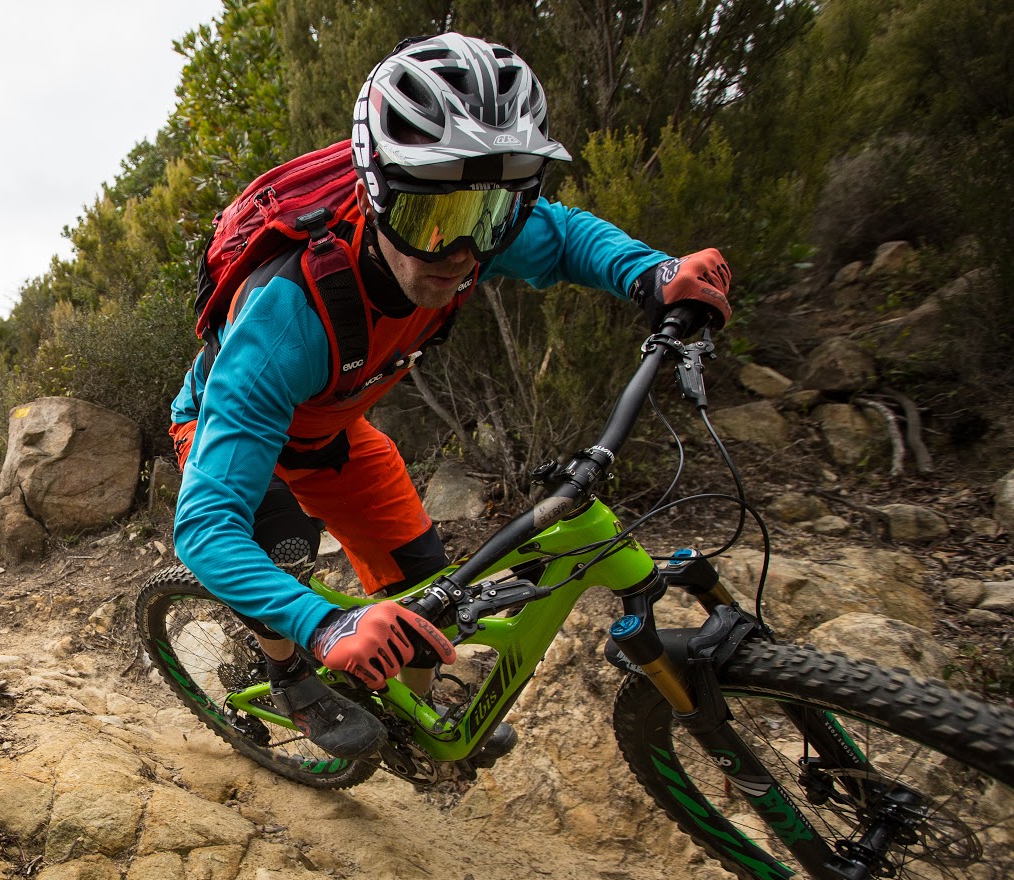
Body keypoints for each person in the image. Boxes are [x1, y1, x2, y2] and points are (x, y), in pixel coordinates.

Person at [169, 32, 732, 759]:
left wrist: (651, 273)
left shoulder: (459, 221)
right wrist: (324, 626)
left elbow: (560, 236)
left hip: (332, 436)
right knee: (277, 556)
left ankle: (416, 727)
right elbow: (207, 528)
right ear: (375, 196)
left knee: (429, 595)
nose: (460, 256)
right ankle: (288, 679)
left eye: (488, 219)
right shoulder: (285, 318)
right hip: (227, 427)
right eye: (428, 223)